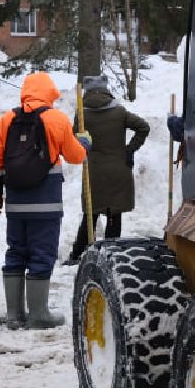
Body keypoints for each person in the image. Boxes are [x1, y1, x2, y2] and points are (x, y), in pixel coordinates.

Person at [0, 72, 89, 329]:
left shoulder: (7, 119)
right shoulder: (56, 118)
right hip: (46, 204)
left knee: (16, 252)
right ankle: (39, 314)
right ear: (49, 93)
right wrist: (84, 142)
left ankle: (14, 314)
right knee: (42, 254)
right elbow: (76, 156)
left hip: (16, 205)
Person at [65, 76, 150, 264]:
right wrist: (129, 149)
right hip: (118, 169)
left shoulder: (82, 115)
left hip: (94, 173)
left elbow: (73, 141)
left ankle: (77, 254)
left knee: (91, 213)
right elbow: (143, 127)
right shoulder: (119, 112)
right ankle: (111, 255)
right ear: (105, 89)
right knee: (114, 214)